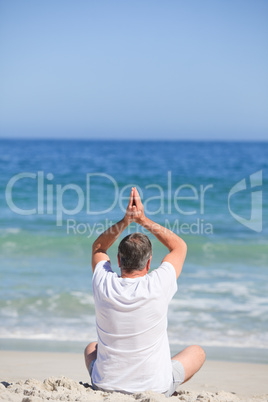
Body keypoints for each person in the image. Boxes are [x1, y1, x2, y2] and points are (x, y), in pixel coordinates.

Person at [84, 187, 205, 397]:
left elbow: (99, 248)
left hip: (105, 386)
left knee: (90, 348)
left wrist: (125, 221)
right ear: (149, 263)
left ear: (119, 261)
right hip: (155, 388)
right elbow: (179, 247)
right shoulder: (158, 284)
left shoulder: (102, 281)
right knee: (197, 352)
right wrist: (142, 219)